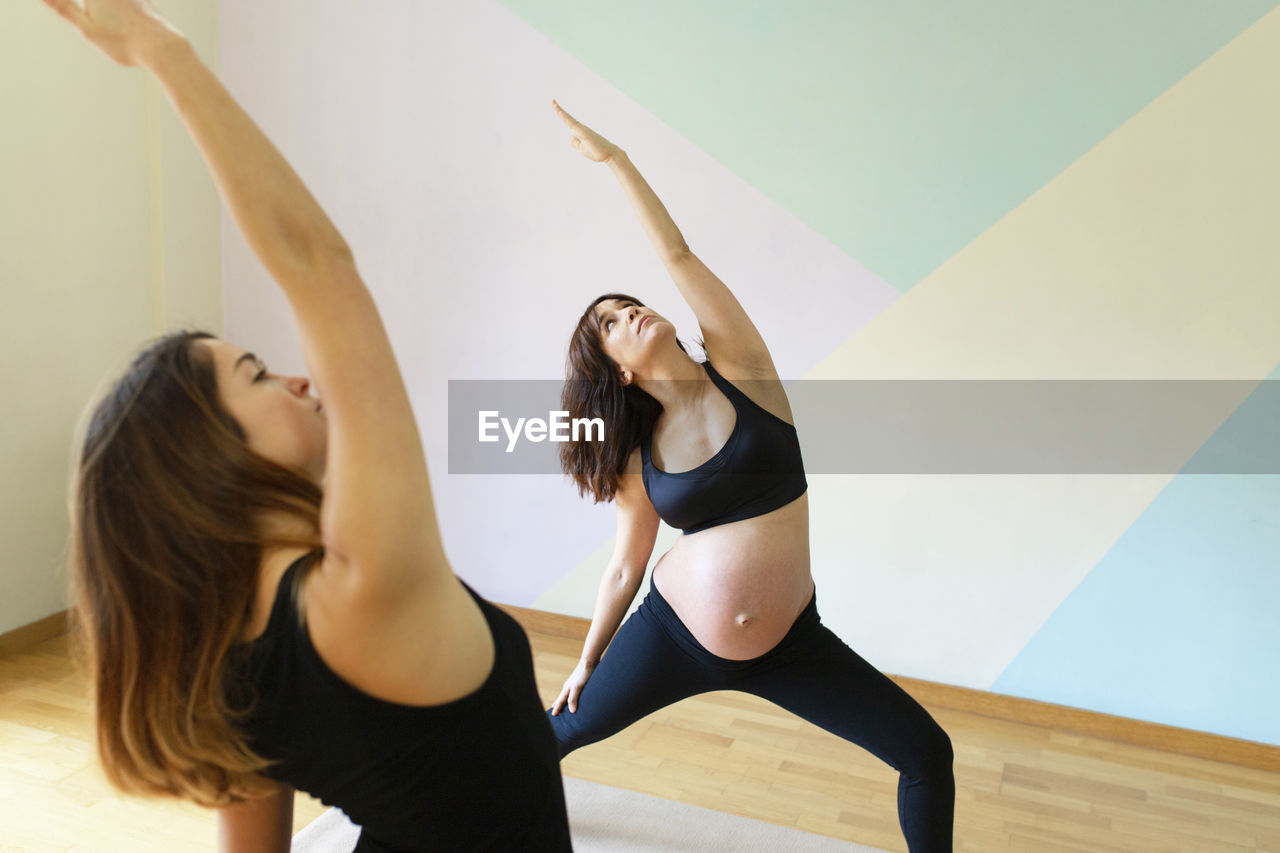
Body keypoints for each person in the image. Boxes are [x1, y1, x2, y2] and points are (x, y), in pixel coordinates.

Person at [42, 1, 571, 850]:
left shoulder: (224, 652)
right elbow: (316, 261)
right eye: (255, 375)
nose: (296, 375)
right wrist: (161, 49)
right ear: (206, 454)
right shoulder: (363, 589)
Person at [548, 100, 955, 852]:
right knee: (552, 738)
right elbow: (625, 564)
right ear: (620, 375)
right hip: (670, 635)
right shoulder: (640, 453)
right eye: (610, 324)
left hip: (790, 644)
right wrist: (588, 657)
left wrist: (617, 162)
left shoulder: (746, 372)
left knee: (927, 753)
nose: (630, 313)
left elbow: (678, 258)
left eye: (628, 304)